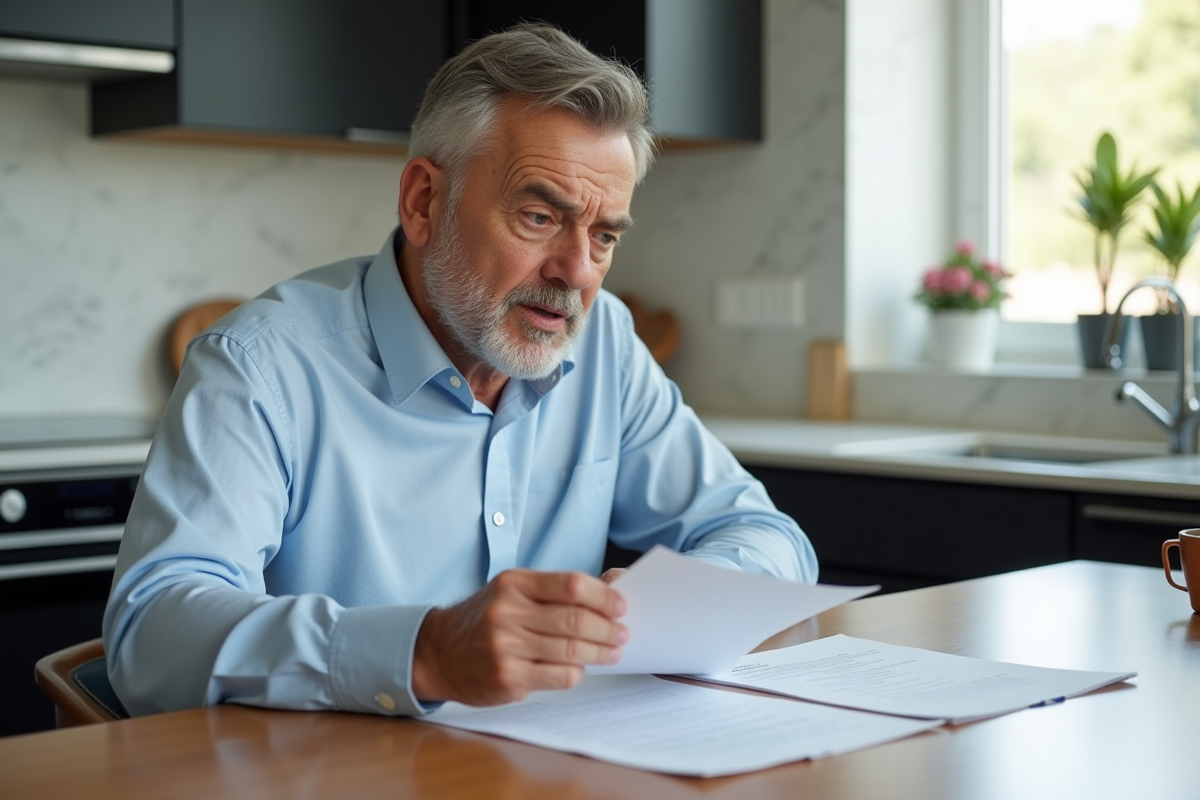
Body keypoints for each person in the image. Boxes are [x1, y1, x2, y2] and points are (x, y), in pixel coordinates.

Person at [103, 23, 817, 719]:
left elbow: (768, 536)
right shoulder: (260, 367)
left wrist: (677, 602)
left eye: (602, 237)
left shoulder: (605, 346)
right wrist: (424, 652)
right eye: (540, 216)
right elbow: (150, 634)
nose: (576, 272)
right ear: (423, 202)